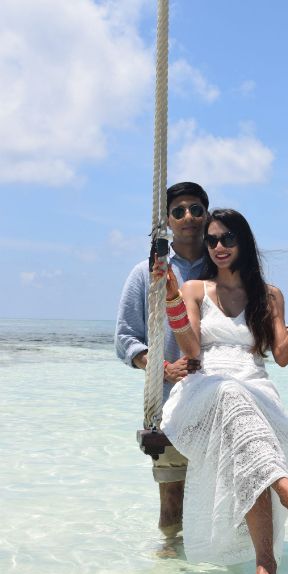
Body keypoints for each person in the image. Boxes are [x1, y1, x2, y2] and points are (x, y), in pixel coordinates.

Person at [154, 208, 288, 574]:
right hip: (205, 387)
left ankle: (266, 565)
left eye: (227, 238)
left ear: (243, 243)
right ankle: (273, 535)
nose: (218, 246)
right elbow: (192, 349)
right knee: (229, 393)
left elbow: (282, 354)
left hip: (256, 386)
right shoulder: (195, 289)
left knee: (244, 410)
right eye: (212, 240)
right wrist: (170, 296)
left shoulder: (269, 295)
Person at [115, 182, 209, 537]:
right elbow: (125, 337)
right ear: (167, 221)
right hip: (171, 404)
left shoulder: (222, 270)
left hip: (218, 400)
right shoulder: (146, 274)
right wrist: (161, 369)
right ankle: (168, 571)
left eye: (196, 210)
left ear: (206, 216)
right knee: (173, 501)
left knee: (222, 499)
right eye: (179, 210)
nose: (189, 217)